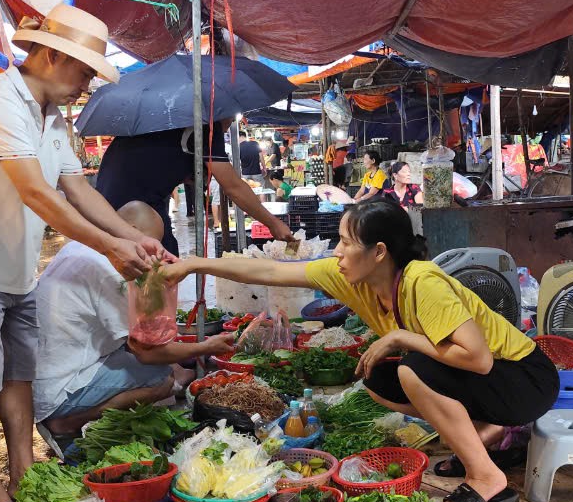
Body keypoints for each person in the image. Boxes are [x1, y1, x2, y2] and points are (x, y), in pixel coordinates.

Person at [0, 3, 166, 502]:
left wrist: (138, 242)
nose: (85, 84)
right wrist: (109, 248)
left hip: (16, 272)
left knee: (19, 380)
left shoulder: (54, 121)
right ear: (52, 56)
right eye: (83, 71)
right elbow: (34, 190)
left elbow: (79, 191)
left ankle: (26, 476)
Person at [164, 200, 559, 502]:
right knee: (380, 379)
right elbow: (268, 269)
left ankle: (488, 479)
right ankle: (489, 438)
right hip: (492, 381)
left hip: (525, 379)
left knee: (411, 370)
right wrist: (194, 265)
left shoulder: (423, 282)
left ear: (379, 252)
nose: (337, 252)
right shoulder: (351, 277)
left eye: (346, 243)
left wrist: (401, 336)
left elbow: (478, 359)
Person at [34, 201, 235, 436]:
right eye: (151, 244)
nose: (155, 255)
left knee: (161, 363)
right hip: (61, 388)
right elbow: (147, 352)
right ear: (129, 230)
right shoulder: (112, 271)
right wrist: (205, 347)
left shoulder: (79, 247)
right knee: (161, 380)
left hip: (48, 371)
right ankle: (69, 420)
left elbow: (141, 335)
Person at [96, 122, 294, 256]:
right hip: (132, 204)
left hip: (112, 194)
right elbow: (233, 186)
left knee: (159, 259)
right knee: (160, 263)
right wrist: (273, 223)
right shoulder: (207, 124)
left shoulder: (173, 121)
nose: (230, 124)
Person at [316, 149, 387, 205]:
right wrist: (353, 200)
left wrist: (358, 200)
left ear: (373, 161)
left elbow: (371, 193)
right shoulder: (367, 175)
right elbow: (361, 190)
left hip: (379, 204)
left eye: (365, 159)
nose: (364, 162)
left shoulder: (380, 175)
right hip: (370, 202)